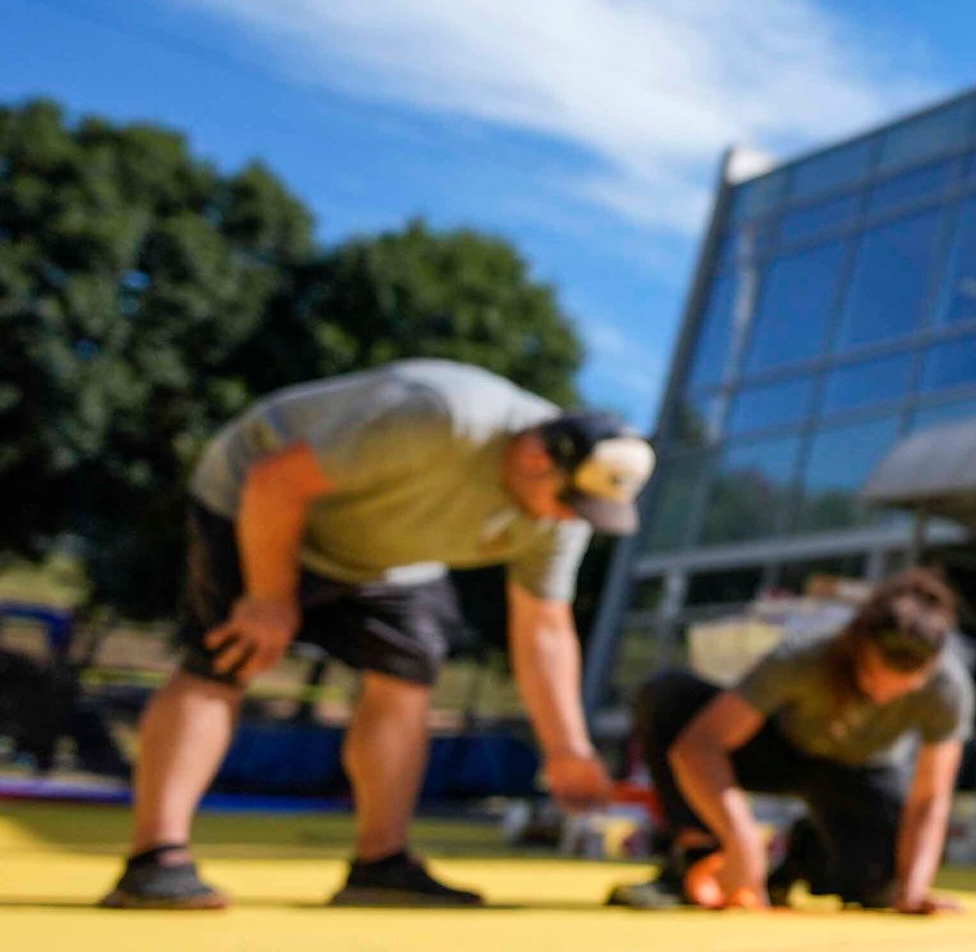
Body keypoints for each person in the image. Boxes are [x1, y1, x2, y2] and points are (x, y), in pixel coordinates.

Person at [105, 360, 648, 909]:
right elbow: (278, 480)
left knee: (408, 674)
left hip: (389, 556)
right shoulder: (442, 417)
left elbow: (545, 629)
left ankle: (380, 862)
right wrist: (270, 596)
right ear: (536, 459)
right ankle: (156, 858)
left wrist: (566, 748)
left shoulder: (562, 514)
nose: (571, 521)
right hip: (261, 498)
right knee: (226, 657)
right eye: (569, 504)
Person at [612, 568, 974, 916]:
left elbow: (929, 798)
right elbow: (701, 743)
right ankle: (696, 857)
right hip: (782, 750)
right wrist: (741, 837)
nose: (881, 695)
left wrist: (911, 890)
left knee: (879, 880)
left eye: (900, 688)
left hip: (859, 772)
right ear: (857, 646)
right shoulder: (805, 655)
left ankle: (803, 856)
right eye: (872, 678)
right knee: (670, 700)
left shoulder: (947, 688)